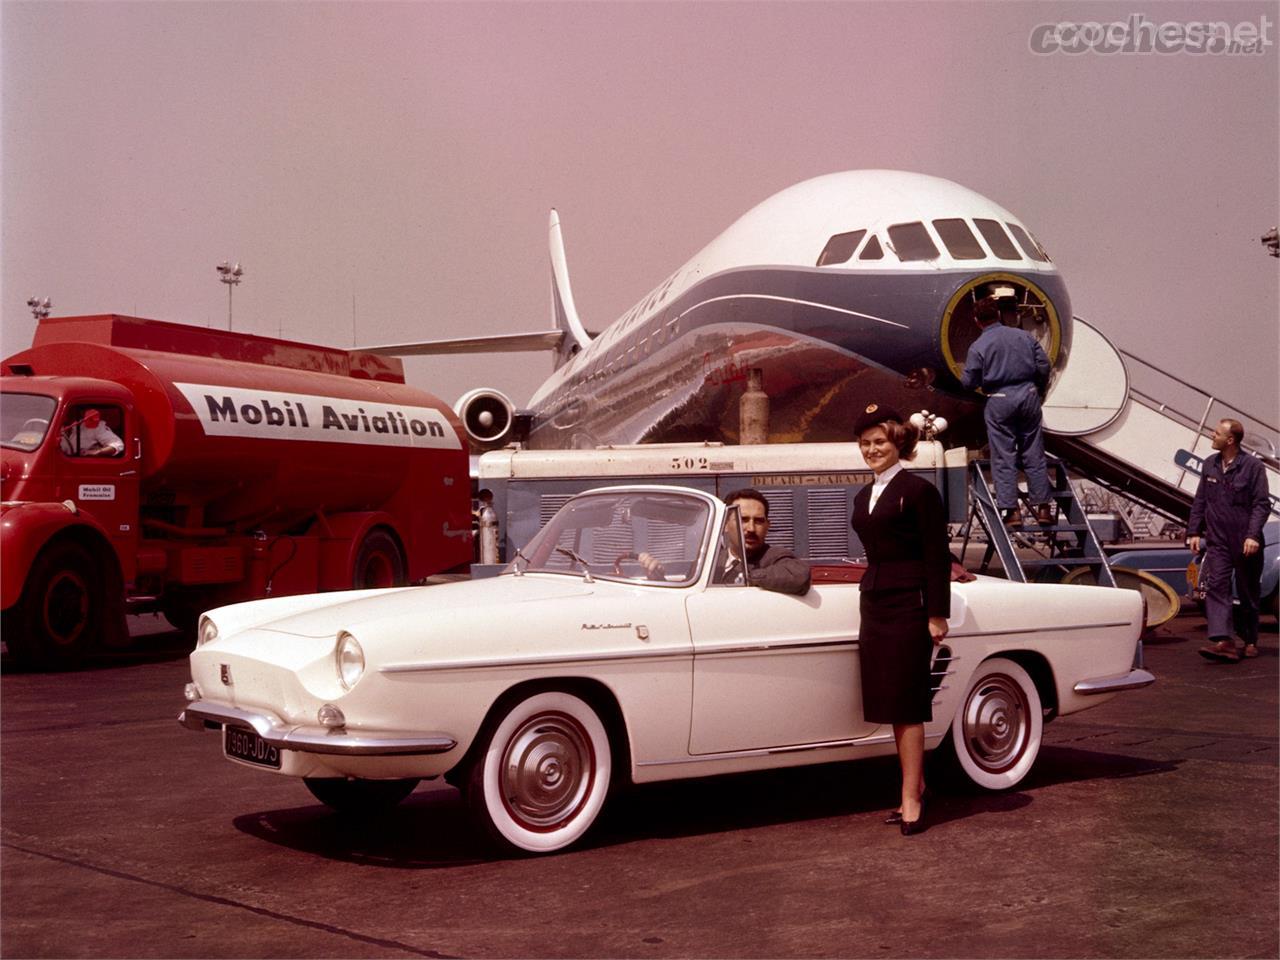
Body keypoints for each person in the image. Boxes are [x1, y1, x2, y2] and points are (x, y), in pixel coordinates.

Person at [850, 403, 951, 836]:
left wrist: (936, 614)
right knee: (891, 701)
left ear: (899, 443)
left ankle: (910, 797)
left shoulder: (919, 490)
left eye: (880, 442)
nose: (872, 449)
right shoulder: (863, 494)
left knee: (908, 704)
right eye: (865, 443)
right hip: (874, 603)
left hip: (909, 605)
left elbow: (936, 558)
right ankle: (917, 784)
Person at [960, 290, 1053, 526]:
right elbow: (1044, 365)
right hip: (1029, 396)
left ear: (977, 321)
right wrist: (1036, 388)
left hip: (999, 399)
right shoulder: (1024, 337)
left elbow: (968, 382)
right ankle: (1043, 509)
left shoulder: (978, 346)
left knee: (1003, 456)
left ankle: (1012, 512)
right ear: (999, 315)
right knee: (1033, 451)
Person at [1188, 418, 1271, 662]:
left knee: (1247, 591)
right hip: (1218, 540)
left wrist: (1252, 535)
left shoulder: (1253, 467)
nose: (1212, 436)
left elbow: (1261, 504)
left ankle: (1250, 639)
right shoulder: (1209, 465)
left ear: (1230, 440)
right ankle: (1223, 640)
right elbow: (1200, 500)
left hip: (1245, 540)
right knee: (1216, 587)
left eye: (1216, 433)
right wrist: (1194, 531)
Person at [639, 487, 810, 594]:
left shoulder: (775, 557)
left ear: (767, 526)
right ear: (725, 525)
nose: (751, 528)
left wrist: (746, 577)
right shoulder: (710, 562)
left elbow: (799, 577)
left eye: (758, 521)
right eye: (742, 519)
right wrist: (660, 578)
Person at [59, 408, 124, 457]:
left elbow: (118, 445)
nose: (66, 414)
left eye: (70, 409)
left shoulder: (94, 426)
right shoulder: (51, 425)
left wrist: (97, 451)